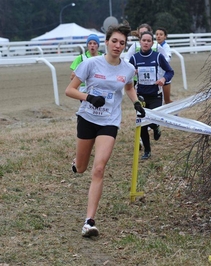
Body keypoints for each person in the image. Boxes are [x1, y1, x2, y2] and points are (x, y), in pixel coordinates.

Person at [65, 24, 146, 237]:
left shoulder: (127, 68)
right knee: (82, 168)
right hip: (87, 118)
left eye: (122, 43)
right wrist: (89, 97)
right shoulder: (91, 64)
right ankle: (76, 162)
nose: (118, 46)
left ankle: (89, 222)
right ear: (106, 42)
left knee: (99, 169)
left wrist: (136, 103)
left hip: (109, 122)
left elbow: (129, 87)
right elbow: (70, 90)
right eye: (114, 41)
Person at [129, 31, 174, 160]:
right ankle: (147, 151)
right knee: (142, 123)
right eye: (144, 40)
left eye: (149, 41)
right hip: (140, 95)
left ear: (152, 43)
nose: (146, 43)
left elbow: (170, 71)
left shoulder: (158, 56)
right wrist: (133, 72)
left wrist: (163, 80)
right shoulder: (134, 58)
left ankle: (156, 127)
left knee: (153, 119)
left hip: (155, 95)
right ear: (140, 42)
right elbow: (126, 74)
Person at [155, 27, 173, 104]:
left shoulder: (166, 47)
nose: (158, 36)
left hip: (165, 76)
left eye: (161, 34)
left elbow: (167, 59)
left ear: (165, 37)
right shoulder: (154, 46)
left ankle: (174, 113)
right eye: (157, 34)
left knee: (167, 100)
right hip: (156, 76)